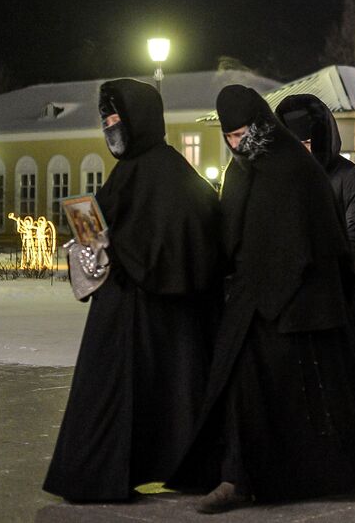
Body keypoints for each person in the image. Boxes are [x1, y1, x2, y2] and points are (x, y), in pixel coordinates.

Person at [171, 86, 355, 512]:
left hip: (301, 307)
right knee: (241, 390)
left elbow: (322, 239)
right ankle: (238, 475)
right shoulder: (240, 171)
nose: (238, 143)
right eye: (230, 136)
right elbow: (231, 233)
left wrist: (289, 282)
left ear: (261, 123)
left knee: (307, 393)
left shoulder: (295, 167)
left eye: (243, 132)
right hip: (254, 302)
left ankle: (300, 475)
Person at [44, 79, 223, 503]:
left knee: (135, 394)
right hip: (144, 313)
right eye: (104, 119)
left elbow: (183, 238)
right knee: (154, 393)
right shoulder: (140, 172)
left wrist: (117, 246)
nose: (109, 127)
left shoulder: (168, 174)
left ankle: (112, 473)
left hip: (148, 316)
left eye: (116, 117)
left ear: (139, 119)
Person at [275, 93, 355, 428]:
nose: (301, 150)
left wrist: (320, 262)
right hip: (304, 292)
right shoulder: (283, 181)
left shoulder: (348, 175)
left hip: (344, 286)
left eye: (307, 142)